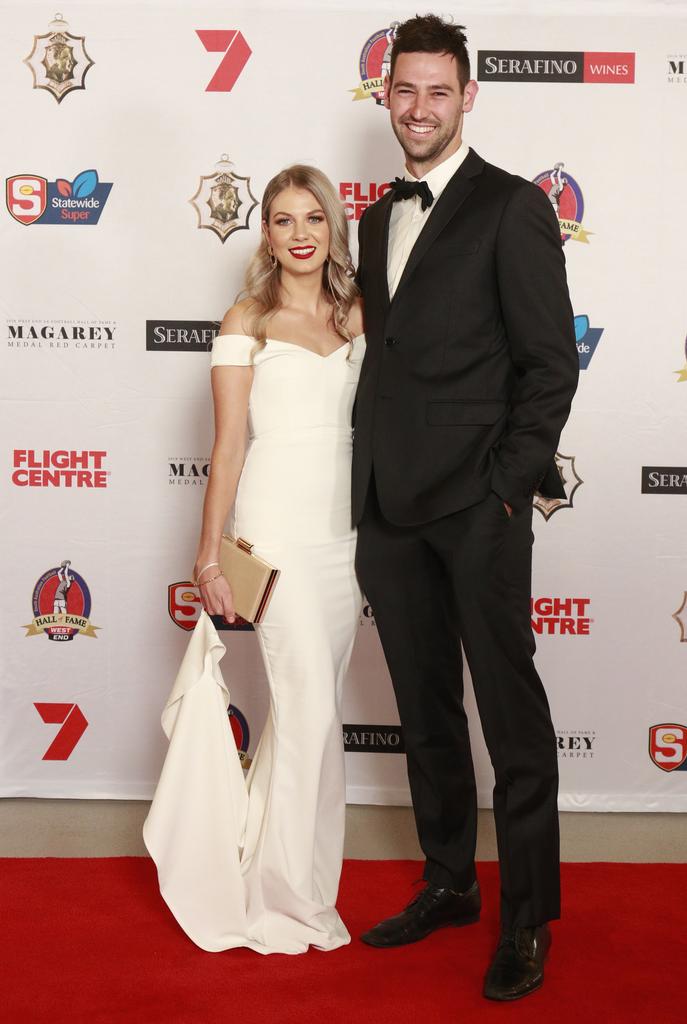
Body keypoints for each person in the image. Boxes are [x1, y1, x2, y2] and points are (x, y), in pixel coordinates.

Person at [352, 16, 579, 1002]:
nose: (419, 108)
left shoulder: (512, 206)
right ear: (385, 95)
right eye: (405, 90)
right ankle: (450, 878)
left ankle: (526, 917)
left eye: (439, 92)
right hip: (390, 510)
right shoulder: (369, 218)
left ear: (468, 96)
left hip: (478, 508)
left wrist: (506, 487)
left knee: (510, 715)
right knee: (427, 713)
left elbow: (548, 365)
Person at [144, 165, 365, 955]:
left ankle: (295, 877)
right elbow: (228, 446)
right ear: (265, 233)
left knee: (317, 716)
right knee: (306, 713)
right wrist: (209, 555)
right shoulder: (246, 319)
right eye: (282, 220)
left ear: (333, 227)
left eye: (314, 218)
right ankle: (285, 900)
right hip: (275, 535)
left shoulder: (360, 317)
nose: (301, 234)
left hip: (347, 540)